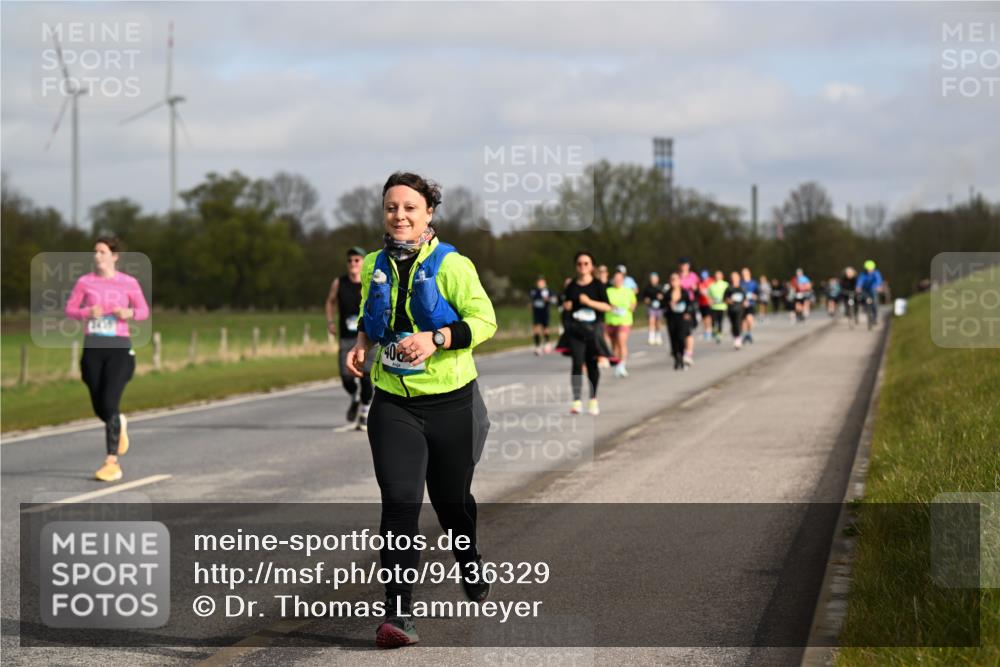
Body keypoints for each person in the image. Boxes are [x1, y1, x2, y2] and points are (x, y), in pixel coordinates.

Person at [345, 172, 496, 648]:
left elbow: (485, 321)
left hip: (453, 403)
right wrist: (362, 343)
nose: (400, 216)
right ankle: (399, 616)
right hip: (393, 402)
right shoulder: (373, 263)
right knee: (400, 504)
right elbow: (375, 312)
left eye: (411, 207)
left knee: (453, 506)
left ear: (429, 212)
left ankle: (468, 558)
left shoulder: (453, 264)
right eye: (392, 207)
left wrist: (436, 339)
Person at [65, 236, 150, 482]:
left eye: (102, 252)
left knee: (110, 402)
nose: (97, 256)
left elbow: (144, 311)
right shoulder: (85, 282)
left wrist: (129, 312)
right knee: (99, 405)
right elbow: (70, 310)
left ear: (114, 256)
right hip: (93, 348)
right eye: (95, 252)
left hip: (119, 349)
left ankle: (111, 462)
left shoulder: (129, 283)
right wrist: (86, 312)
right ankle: (118, 422)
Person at [326, 246, 374, 430]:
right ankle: (354, 396)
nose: (353, 263)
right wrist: (330, 321)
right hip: (346, 336)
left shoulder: (369, 281)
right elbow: (330, 302)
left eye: (357, 260)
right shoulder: (339, 283)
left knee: (365, 376)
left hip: (367, 337)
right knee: (346, 377)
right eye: (350, 260)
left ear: (363, 262)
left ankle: (364, 412)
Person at [562, 251, 612, 415]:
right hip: (576, 330)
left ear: (592, 266)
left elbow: (607, 307)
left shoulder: (598, 285)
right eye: (579, 264)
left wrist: (589, 302)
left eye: (586, 263)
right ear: (576, 266)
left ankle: (593, 399)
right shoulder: (572, 286)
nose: (583, 266)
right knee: (577, 363)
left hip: (593, 330)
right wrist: (568, 307)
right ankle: (576, 401)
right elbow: (566, 306)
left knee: (592, 364)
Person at [605, 267, 637, 378]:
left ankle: (622, 365)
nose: (618, 281)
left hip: (625, 320)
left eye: (620, 279)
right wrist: (612, 307)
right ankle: (618, 363)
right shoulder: (608, 291)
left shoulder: (628, 291)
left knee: (621, 341)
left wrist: (630, 307)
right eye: (616, 279)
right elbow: (604, 304)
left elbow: (633, 304)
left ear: (623, 280)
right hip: (611, 321)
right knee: (614, 345)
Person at [665, 272, 693, 370]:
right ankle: (676, 358)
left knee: (681, 338)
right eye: (672, 279)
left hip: (682, 319)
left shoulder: (684, 292)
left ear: (679, 281)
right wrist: (669, 304)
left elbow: (690, 304)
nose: (674, 282)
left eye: (676, 279)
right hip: (671, 318)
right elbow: (663, 305)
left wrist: (688, 313)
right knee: (673, 339)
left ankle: (682, 355)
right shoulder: (667, 293)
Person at [678, 257, 699, 366]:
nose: (684, 266)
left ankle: (688, 353)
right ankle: (682, 350)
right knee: (680, 330)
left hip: (690, 305)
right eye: (682, 264)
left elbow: (697, 289)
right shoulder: (677, 277)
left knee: (688, 330)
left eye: (685, 264)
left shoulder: (693, 276)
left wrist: (693, 287)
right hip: (679, 305)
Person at [529, 276, 556, 355]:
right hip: (536, 312)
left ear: (545, 283)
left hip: (545, 312)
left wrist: (549, 299)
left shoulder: (548, 291)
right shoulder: (534, 291)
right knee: (536, 328)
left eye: (542, 282)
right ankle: (537, 345)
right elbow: (532, 299)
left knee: (546, 328)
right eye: (539, 282)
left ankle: (547, 343)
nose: (540, 284)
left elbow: (554, 299)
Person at [856, 260, 884, 327]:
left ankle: (875, 317)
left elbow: (879, 280)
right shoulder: (863, 274)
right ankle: (866, 308)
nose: (869, 270)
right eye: (868, 269)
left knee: (875, 303)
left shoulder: (876, 273)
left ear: (873, 268)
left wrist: (878, 287)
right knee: (863, 298)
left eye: (870, 269)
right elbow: (860, 281)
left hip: (873, 289)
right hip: (865, 290)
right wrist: (858, 287)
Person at [641, 272, 666, 346]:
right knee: (651, 321)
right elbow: (644, 298)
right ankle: (651, 337)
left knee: (658, 322)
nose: (653, 280)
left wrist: (661, 297)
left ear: (657, 279)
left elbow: (665, 298)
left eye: (655, 279)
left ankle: (658, 336)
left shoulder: (661, 287)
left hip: (659, 307)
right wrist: (647, 300)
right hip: (651, 307)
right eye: (652, 279)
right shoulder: (647, 288)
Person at [725, 271, 747, 349]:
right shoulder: (729, 288)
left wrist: (745, 303)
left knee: (738, 323)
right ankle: (736, 337)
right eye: (733, 277)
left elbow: (745, 299)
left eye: (736, 277)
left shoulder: (741, 288)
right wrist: (730, 301)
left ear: (738, 278)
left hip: (739, 309)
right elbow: (725, 299)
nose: (734, 279)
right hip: (731, 309)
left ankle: (738, 339)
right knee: (733, 324)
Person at [707, 270, 729, 343]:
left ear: (722, 276)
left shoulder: (726, 284)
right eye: (716, 275)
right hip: (714, 306)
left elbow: (729, 294)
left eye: (719, 275)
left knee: (720, 321)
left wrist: (727, 300)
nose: (717, 277)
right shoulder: (711, 285)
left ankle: (719, 334)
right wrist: (710, 301)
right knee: (713, 321)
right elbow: (708, 296)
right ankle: (714, 330)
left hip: (722, 306)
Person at [740, 267, 758, 345]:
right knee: (744, 321)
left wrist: (755, 296)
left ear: (749, 273)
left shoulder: (753, 283)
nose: (744, 274)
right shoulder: (741, 283)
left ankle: (749, 333)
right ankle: (745, 335)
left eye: (746, 273)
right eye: (743, 273)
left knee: (749, 320)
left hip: (751, 304)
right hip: (742, 305)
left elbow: (757, 293)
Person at [697, 269, 714, 342]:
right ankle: (706, 331)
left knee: (708, 317)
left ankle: (709, 331)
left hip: (709, 302)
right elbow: (700, 291)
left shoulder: (711, 281)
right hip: (701, 302)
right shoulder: (700, 282)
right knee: (703, 318)